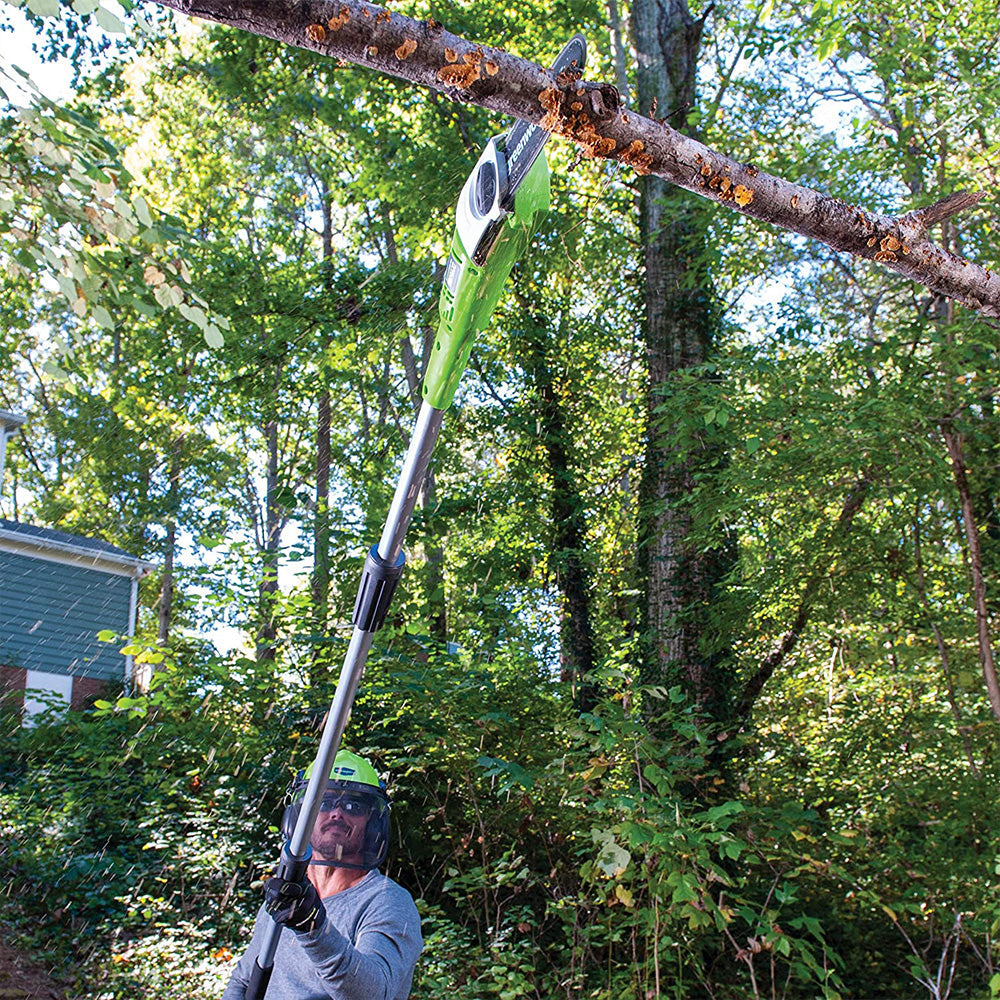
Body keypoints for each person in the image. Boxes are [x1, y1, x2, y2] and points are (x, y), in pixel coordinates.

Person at [222, 750, 422, 999]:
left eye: (353, 805)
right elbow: (243, 980)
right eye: (324, 803)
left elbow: (373, 992)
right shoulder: (287, 894)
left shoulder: (387, 901)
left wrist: (313, 927)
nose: (337, 813)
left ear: (371, 821)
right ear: (302, 814)